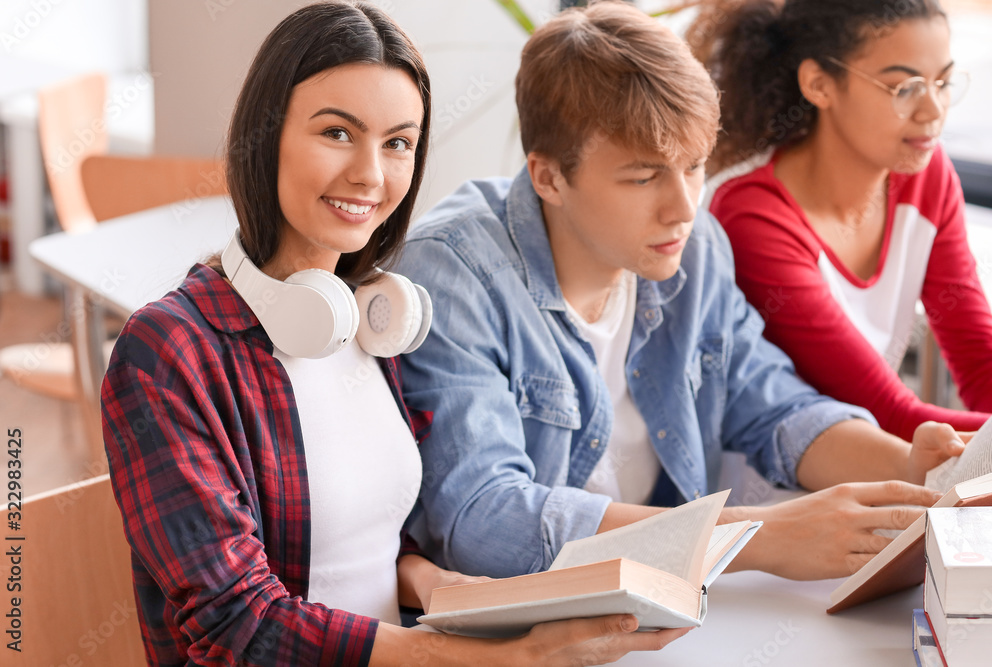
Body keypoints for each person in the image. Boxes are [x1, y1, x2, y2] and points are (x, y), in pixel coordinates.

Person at [100, 2, 690, 664]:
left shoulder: (366, 319)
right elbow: (236, 624)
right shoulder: (169, 352)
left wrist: (438, 585)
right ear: (265, 136)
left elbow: (362, 539)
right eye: (337, 133)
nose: (371, 175)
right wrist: (502, 658)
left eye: (398, 142)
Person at [395, 0, 963, 584]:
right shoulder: (455, 275)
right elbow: (484, 522)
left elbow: (773, 406)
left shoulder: (694, 248)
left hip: (663, 607)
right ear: (548, 177)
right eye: (643, 177)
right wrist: (751, 537)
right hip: (524, 626)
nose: (683, 208)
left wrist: (914, 468)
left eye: (693, 167)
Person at [694, 0, 992, 441]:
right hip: (780, 497)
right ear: (819, 84)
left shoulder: (925, 173)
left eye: (942, 82)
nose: (933, 111)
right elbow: (887, 412)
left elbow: (978, 360)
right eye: (904, 87)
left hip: (886, 471)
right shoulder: (752, 215)